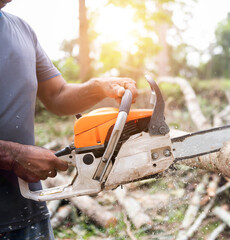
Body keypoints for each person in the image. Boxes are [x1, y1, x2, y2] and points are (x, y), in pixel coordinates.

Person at [0, 0, 138, 239]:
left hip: (27, 208)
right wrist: (13, 156)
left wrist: (99, 87)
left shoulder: (21, 30)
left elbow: (56, 95)